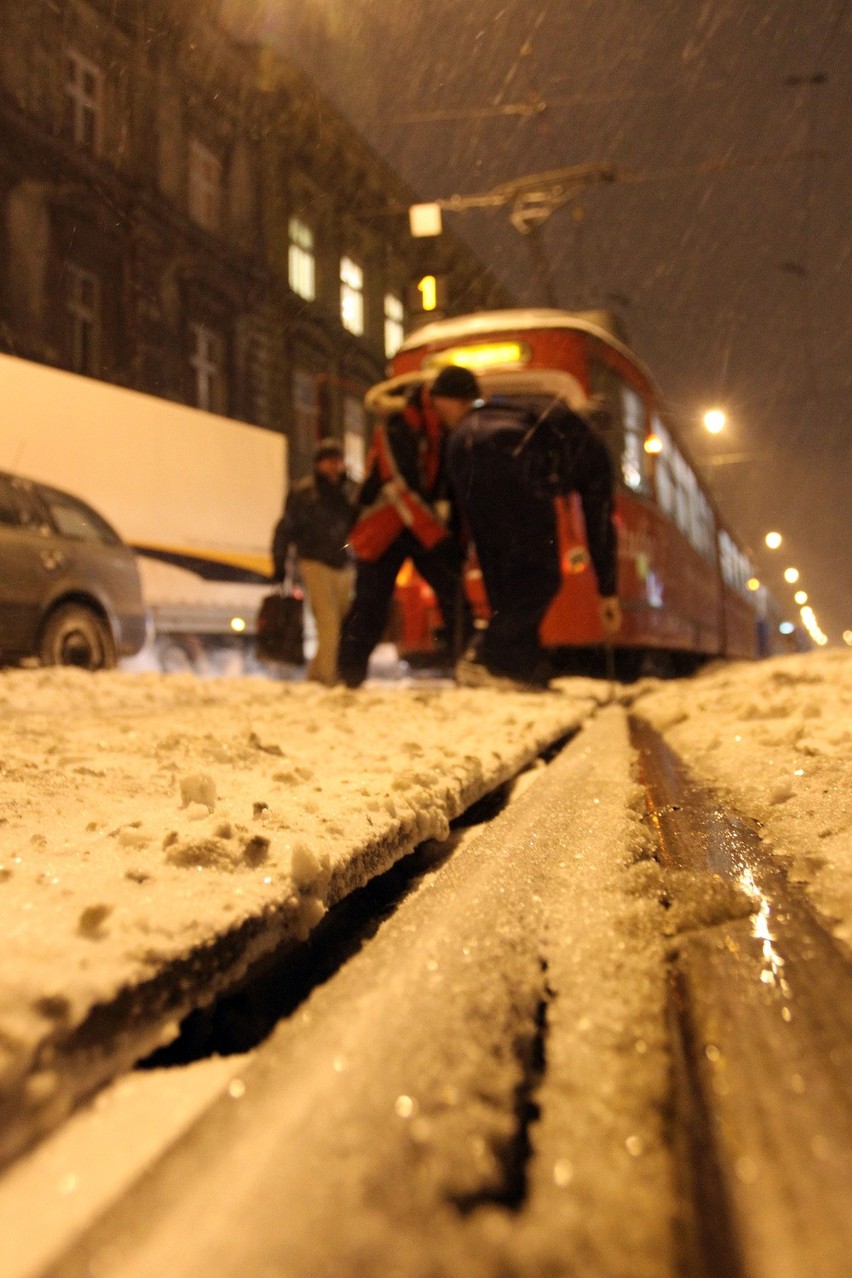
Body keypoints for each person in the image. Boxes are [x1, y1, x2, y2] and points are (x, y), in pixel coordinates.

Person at [432, 371, 621, 689]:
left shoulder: (522, 411)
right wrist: (607, 590)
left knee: (502, 575)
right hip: (516, 459)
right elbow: (599, 521)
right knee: (542, 577)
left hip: (462, 449)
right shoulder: (591, 449)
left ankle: (518, 667)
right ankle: (482, 655)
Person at [336, 370, 473, 688]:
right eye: (463, 402)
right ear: (441, 400)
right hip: (385, 526)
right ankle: (347, 677)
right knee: (371, 605)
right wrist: (439, 539)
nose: (466, 410)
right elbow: (399, 487)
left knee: (454, 596)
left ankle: (468, 669)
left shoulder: (445, 431)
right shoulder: (397, 425)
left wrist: (457, 538)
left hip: (421, 527)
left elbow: (450, 490)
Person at [272, 438, 357, 685]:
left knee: (340, 628)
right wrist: (280, 566)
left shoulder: (349, 492)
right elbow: (285, 530)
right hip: (314, 562)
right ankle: (330, 680)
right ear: (319, 464)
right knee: (329, 625)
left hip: (344, 566)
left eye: (338, 461)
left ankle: (316, 678)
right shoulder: (304, 493)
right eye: (329, 461)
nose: (334, 467)